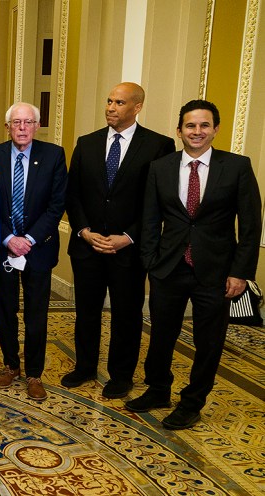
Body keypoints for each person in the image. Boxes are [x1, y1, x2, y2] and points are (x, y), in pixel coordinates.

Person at [127, 100, 261, 430]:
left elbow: (250, 224)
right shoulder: (162, 167)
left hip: (216, 273)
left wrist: (240, 272)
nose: (196, 132)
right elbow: (149, 219)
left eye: (203, 125)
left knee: (209, 341)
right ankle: (158, 390)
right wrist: (150, 262)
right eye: (190, 126)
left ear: (215, 129)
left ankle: (192, 402)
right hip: (168, 268)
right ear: (179, 130)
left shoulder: (237, 167)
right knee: (160, 335)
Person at [63, 82, 175, 398]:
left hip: (128, 250)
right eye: (109, 101)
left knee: (127, 314)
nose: (111, 107)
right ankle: (84, 367)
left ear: (137, 107)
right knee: (86, 311)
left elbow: (159, 204)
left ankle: (121, 375)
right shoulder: (86, 144)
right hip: (88, 247)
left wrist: (128, 237)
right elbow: (73, 195)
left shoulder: (158, 146)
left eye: (120, 102)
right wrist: (84, 231)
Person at [0, 103, 67, 402]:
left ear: (37, 125)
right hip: (3, 249)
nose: (22, 128)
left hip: (38, 248)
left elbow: (56, 206)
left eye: (28, 122)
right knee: (5, 310)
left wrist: (28, 238)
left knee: (36, 313)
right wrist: (8, 239)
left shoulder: (53, 155)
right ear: (7, 126)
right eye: (16, 122)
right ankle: (11, 364)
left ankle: (34, 373)